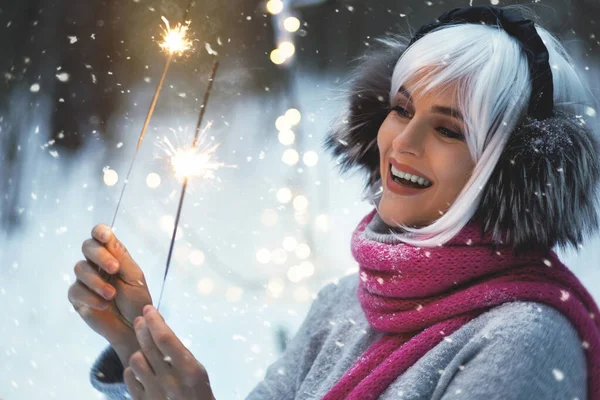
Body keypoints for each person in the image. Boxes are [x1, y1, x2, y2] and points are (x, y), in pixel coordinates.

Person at [68, 4, 600, 400]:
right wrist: (135, 337)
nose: (403, 143)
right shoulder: (347, 302)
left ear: (514, 174)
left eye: (449, 130)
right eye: (401, 108)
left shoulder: (525, 340)